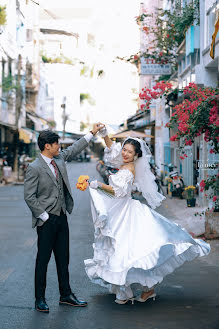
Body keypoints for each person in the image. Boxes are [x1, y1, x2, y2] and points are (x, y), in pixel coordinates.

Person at [85, 130, 211, 305]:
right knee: (121, 250)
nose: (125, 153)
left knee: (128, 250)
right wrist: (105, 134)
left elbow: (118, 192)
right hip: (117, 210)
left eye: (129, 152)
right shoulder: (122, 161)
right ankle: (130, 289)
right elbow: (113, 150)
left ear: (136, 155)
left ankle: (140, 289)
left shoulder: (128, 170)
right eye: (124, 149)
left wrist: (97, 185)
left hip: (124, 211)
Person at [24, 123, 104, 313]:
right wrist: (43, 216)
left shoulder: (59, 159)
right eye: (56, 144)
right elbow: (29, 196)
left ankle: (65, 295)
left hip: (61, 217)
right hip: (46, 220)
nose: (59, 147)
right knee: (42, 260)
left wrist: (92, 133)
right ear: (47, 146)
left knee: (63, 258)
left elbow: (75, 148)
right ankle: (40, 299)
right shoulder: (34, 168)